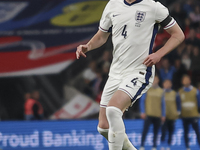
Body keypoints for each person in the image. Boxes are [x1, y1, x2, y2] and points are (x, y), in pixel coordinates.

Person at [76, 0, 184, 149]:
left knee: (113, 110)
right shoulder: (112, 5)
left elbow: (178, 34)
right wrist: (87, 46)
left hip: (138, 71)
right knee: (103, 126)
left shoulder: (153, 6)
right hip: (116, 72)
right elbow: (101, 36)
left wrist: (159, 54)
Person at [139, 76, 165, 150]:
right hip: (148, 114)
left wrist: (163, 115)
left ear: (158, 80)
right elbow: (142, 101)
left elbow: (163, 104)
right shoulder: (147, 89)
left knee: (156, 132)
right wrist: (142, 112)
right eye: (153, 79)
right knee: (145, 131)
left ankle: (154, 146)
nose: (154, 81)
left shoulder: (161, 91)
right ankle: (142, 146)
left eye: (156, 79)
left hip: (157, 114)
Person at [179, 75, 200, 150]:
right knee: (186, 132)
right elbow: (178, 103)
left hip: (193, 115)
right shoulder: (180, 92)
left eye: (187, 79)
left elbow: (199, 102)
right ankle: (187, 147)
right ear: (182, 82)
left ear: (190, 81)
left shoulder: (195, 91)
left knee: (197, 132)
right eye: (184, 80)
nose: (185, 81)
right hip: (185, 116)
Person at [160, 80, 181, 150]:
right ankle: (162, 146)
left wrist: (178, 112)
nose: (167, 85)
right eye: (166, 83)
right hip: (164, 116)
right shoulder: (161, 93)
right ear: (163, 84)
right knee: (163, 131)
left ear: (171, 84)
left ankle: (169, 146)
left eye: (169, 83)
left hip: (172, 116)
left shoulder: (174, 93)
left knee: (171, 131)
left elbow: (178, 103)